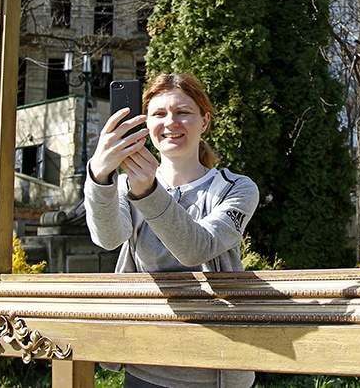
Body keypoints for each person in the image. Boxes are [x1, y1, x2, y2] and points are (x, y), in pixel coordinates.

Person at [84, 72, 259, 388]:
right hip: (145, 365)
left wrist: (149, 193)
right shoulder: (124, 186)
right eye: (159, 114)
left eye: (183, 112)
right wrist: (99, 177)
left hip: (213, 369)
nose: (171, 123)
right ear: (146, 124)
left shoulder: (236, 189)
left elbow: (196, 249)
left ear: (204, 122)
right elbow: (108, 238)